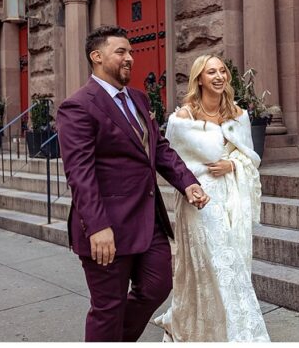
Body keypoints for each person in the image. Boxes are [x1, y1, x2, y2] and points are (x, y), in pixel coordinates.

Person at [57, 25, 210, 342]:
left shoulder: (139, 99)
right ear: (97, 57)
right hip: (106, 226)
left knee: (158, 286)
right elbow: (80, 172)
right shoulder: (78, 106)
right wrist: (97, 226)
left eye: (131, 51)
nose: (130, 58)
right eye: (121, 52)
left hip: (147, 219)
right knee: (107, 308)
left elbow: (159, 149)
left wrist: (187, 183)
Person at [153, 55, 270, 342]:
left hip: (233, 197)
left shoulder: (238, 115)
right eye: (211, 72)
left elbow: (249, 156)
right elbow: (172, 160)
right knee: (216, 264)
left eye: (222, 71)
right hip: (200, 200)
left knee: (234, 263)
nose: (219, 77)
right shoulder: (182, 119)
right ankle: (241, 335)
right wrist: (191, 186)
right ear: (199, 79)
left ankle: (216, 329)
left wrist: (233, 165)